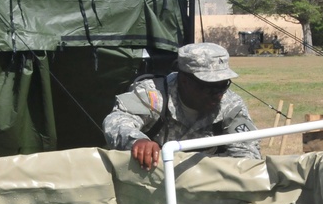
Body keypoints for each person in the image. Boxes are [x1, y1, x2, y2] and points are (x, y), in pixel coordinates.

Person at [103, 42, 261, 170]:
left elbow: (247, 155)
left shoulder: (231, 104)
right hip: (151, 183)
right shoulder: (153, 95)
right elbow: (117, 120)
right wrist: (137, 141)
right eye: (209, 86)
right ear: (184, 80)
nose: (218, 94)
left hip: (206, 188)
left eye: (224, 85)